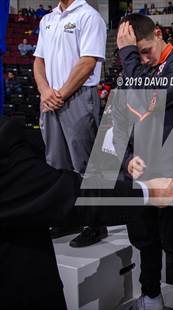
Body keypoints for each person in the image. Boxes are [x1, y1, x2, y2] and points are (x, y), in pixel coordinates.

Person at [0, 116, 173, 309]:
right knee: (147, 241)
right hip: (21, 285)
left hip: (167, 163)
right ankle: (152, 297)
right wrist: (146, 187)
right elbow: (70, 194)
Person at [113, 14, 173, 310]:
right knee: (145, 241)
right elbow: (120, 120)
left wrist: (127, 56)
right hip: (140, 173)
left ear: (159, 34)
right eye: (135, 54)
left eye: (145, 51)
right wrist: (125, 160)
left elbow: (148, 98)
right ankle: (151, 296)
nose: (143, 59)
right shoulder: (133, 68)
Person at [33, 0, 108, 247]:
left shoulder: (89, 16)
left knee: (84, 164)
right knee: (56, 164)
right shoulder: (48, 19)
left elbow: (88, 62)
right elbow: (38, 60)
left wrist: (60, 94)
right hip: (51, 97)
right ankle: (68, 218)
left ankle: (96, 224)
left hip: (77, 96)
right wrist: (45, 91)